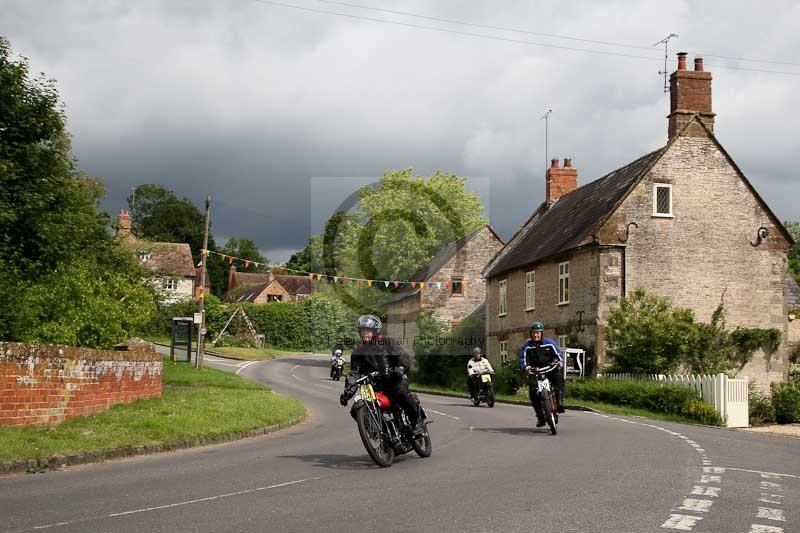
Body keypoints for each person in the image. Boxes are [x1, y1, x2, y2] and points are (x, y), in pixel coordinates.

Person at [339, 315, 423, 436]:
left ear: (375, 331)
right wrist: (348, 392)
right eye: (362, 330)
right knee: (355, 409)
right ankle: (381, 434)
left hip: (395, 379)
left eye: (368, 330)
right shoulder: (358, 352)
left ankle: (417, 421)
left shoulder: (387, 343)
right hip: (376, 387)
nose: (365, 333)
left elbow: (402, 355)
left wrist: (401, 368)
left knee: (400, 392)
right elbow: (354, 373)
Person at [519, 321, 565, 427]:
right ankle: (540, 417)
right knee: (533, 392)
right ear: (531, 334)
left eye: (538, 333)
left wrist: (560, 362)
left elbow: (558, 354)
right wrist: (526, 366)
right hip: (535, 371)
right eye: (534, 333)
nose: (536, 335)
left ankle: (559, 403)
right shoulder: (527, 346)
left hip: (550, 368)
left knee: (559, 381)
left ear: (542, 333)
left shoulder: (549, 343)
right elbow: (523, 359)